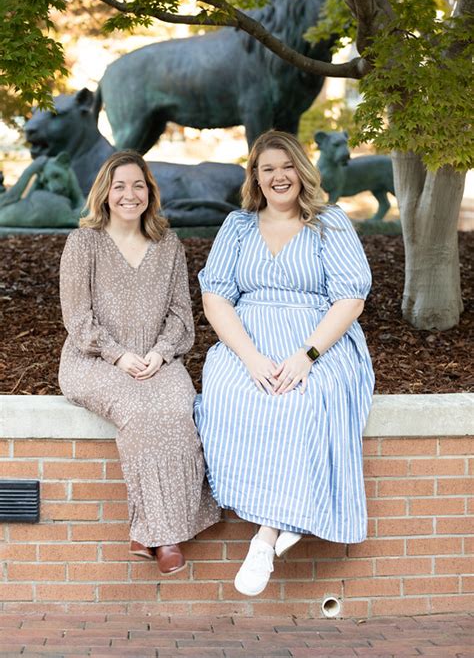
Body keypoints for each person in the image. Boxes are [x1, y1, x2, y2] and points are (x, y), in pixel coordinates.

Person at [194, 130, 374, 596]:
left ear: (302, 169)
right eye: (267, 168)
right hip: (247, 341)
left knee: (304, 399)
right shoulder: (237, 227)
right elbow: (215, 298)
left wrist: (307, 355)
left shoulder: (330, 223)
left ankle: (266, 536)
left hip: (319, 341)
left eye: (286, 166)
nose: (278, 177)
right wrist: (251, 358)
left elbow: (350, 299)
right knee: (230, 393)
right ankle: (293, 515)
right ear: (255, 176)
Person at [59, 150, 220, 575]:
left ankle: (149, 529)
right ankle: (163, 536)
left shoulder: (168, 246)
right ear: (105, 194)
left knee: (177, 406)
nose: (129, 194)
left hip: (155, 359)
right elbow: (77, 318)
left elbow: (181, 318)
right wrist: (119, 355)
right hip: (94, 360)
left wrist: (159, 353)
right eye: (120, 186)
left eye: (138, 185)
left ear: (150, 191)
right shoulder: (84, 243)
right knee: (140, 409)